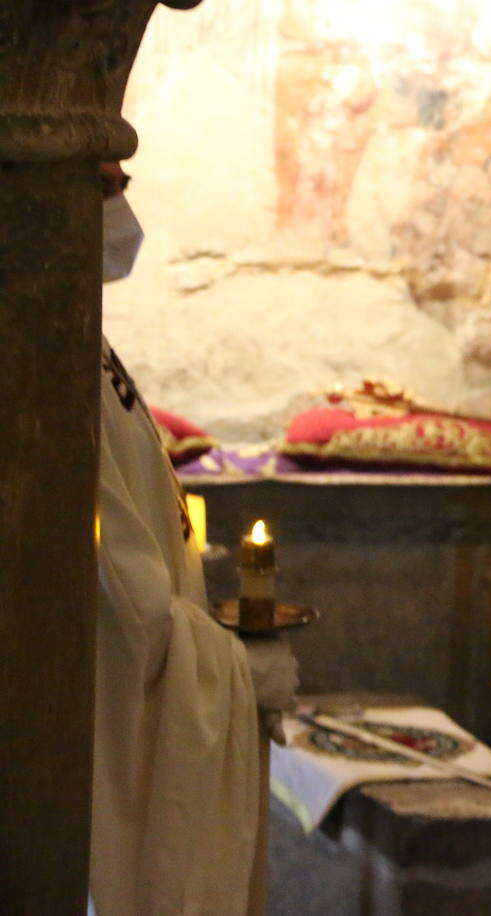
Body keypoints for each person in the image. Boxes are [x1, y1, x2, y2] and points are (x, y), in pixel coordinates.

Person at [90, 162, 298, 915]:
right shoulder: (35, 350)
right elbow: (128, 622)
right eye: (98, 162)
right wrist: (239, 670)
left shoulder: (70, 330)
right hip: (107, 750)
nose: (122, 174)